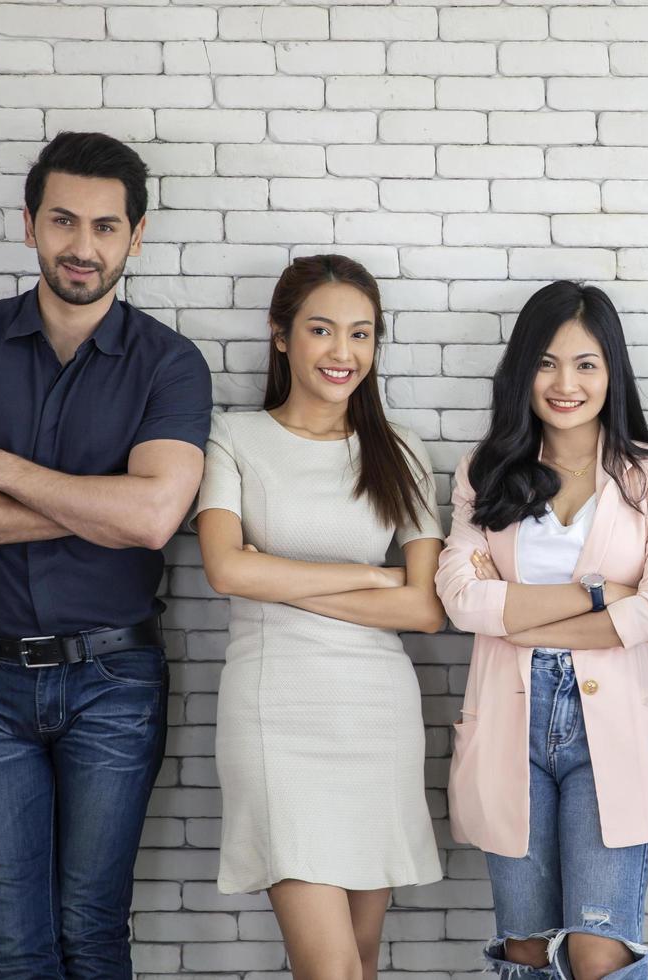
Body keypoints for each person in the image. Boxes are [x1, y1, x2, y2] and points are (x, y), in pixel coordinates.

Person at [0, 132, 212, 977]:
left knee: (92, 933)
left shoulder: (170, 365)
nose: (83, 246)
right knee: (12, 945)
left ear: (135, 238)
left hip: (114, 681)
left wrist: (0, 471)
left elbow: (150, 519)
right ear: (30, 222)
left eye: (107, 227)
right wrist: (89, 502)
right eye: (64, 221)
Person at [435, 281, 648, 980]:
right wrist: (599, 595)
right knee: (526, 951)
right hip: (506, 727)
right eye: (546, 363)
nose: (565, 383)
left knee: (598, 955)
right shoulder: (486, 472)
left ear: (611, 372)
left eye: (585, 364)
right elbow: (462, 600)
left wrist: (518, 615)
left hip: (609, 732)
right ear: (522, 370)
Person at [194, 254, 445, 980]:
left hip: (376, 716)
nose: (344, 353)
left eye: (362, 335)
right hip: (277, 713)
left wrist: (275, 579)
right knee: (329, 969)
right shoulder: (233, 438)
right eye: (322, 330)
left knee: (361, 961)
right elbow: (226, 569)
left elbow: (425, 608)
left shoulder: (399, 452)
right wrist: (365, 575)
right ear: (281, 335)